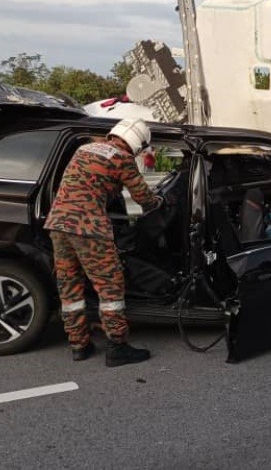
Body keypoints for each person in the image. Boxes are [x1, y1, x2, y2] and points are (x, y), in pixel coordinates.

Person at [44, 117, 162, 367]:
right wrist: (160, 203)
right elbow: (143, 197)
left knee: (70, 286)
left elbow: (94, 182)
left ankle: (79, 345)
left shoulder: (84, 148)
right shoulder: (122, 158)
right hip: (88, 229)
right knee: (110, 287)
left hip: (58, 225)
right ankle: (117, 346)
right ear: (137, 143)